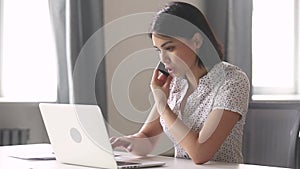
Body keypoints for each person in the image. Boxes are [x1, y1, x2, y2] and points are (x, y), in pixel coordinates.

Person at [110, 1, 250, 164]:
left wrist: (162, 104)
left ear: (197, 41)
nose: (163, 59)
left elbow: (200, 153)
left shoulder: (232, 81)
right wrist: (128, 141)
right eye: (159, 50)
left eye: (169, 48)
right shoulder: (175, 83)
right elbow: (147, 140)